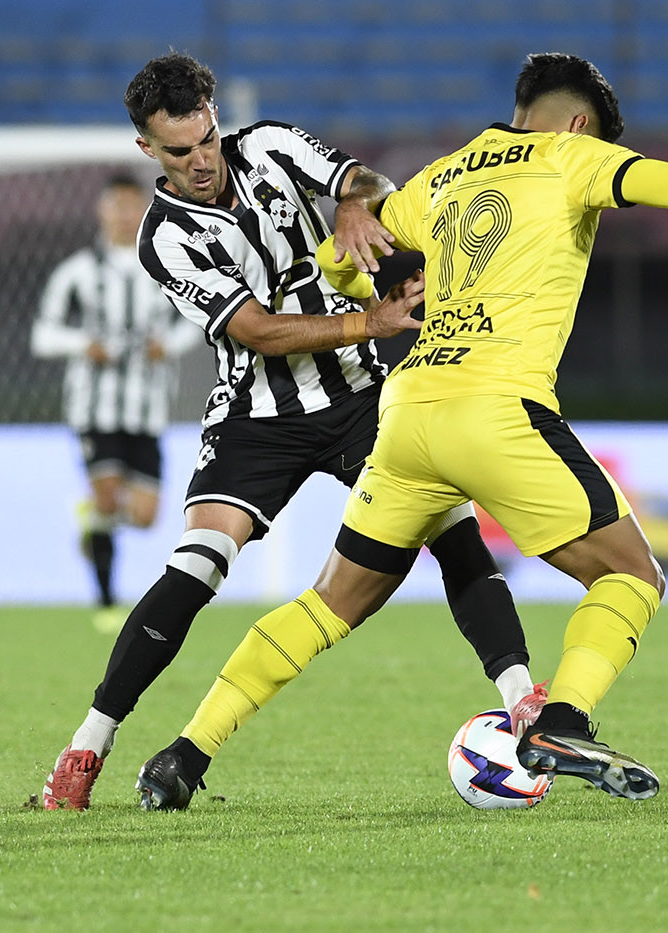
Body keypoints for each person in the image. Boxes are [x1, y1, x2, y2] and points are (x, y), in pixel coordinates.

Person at [134, 52, 668, 810]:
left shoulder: (443, 174)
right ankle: (562, 721)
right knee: (631, 573)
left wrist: (377, 284)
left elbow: (337, 259)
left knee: (331, 601)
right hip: (497, 406)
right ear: (578, 123)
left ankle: (185, 753)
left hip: (407, 408)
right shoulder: (572, 157)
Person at [41, 52, 541, 811]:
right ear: (148, 150)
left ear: (215, 116)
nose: (202, 159)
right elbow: (256, 330)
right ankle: (86, 746)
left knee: (454, 528)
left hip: (362, 398)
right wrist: (368, 319)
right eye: (180, 151)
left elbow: (371, 184)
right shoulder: (164, 237)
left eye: (207, 138)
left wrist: (352, 201)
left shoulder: (271, 144)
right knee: (196, 569)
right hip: (255, 418)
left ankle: (523, 705)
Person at [31, 174, 201, 634]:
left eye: (132, 206)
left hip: (147, 408)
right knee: (107, 493)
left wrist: (168, 346)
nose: (125, 216)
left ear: (143, 210)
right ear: (101, 211)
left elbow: (196, 322)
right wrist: (84, 345)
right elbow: (43, 335)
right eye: (117, 207)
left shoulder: (166, 268)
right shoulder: (77, 272)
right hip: (95, 408)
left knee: (145, 518)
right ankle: (106, 602)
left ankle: (92, 518)